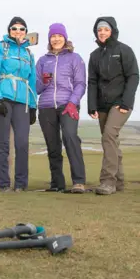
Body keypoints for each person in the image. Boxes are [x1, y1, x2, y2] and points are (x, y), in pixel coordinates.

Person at [87, 16, 140, 195]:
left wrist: (126, 101)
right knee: (111, 141)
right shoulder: (94, 55)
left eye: (106, 29)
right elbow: (92, 82)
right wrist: (91, 105)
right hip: (102, 105)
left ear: (113, 31)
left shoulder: (124, 50)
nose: (102, 33)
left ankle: (108, 181)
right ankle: (120, 182)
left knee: (108, 135)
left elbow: (133, 76)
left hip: (120, 103)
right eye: (99, 30)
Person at [0, 16, 37, 192]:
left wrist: (33, 106)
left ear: (26, 32)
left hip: (22, 101)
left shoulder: (28, 54)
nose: (18, 31)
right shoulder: (1, 49)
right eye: (14, 28)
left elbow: (32, 81)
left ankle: (21, 184)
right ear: (9, 31)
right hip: (4, 99)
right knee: (4, 142)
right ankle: (4, 183)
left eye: (22, 29)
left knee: (22, 142)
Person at [36, 23, 87, 193]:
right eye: (53, 36)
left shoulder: (75, 58)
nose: (56, 39)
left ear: (65, 38)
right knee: (52, 144)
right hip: (46, 106)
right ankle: (57, 183)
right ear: (49, 39)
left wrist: (73, 102)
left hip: (68, 105)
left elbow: (80, 83)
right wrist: (43, 82)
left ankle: (78, 181)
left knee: (70, 138)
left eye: (59, 36)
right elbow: (36, 88)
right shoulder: (42, 61)